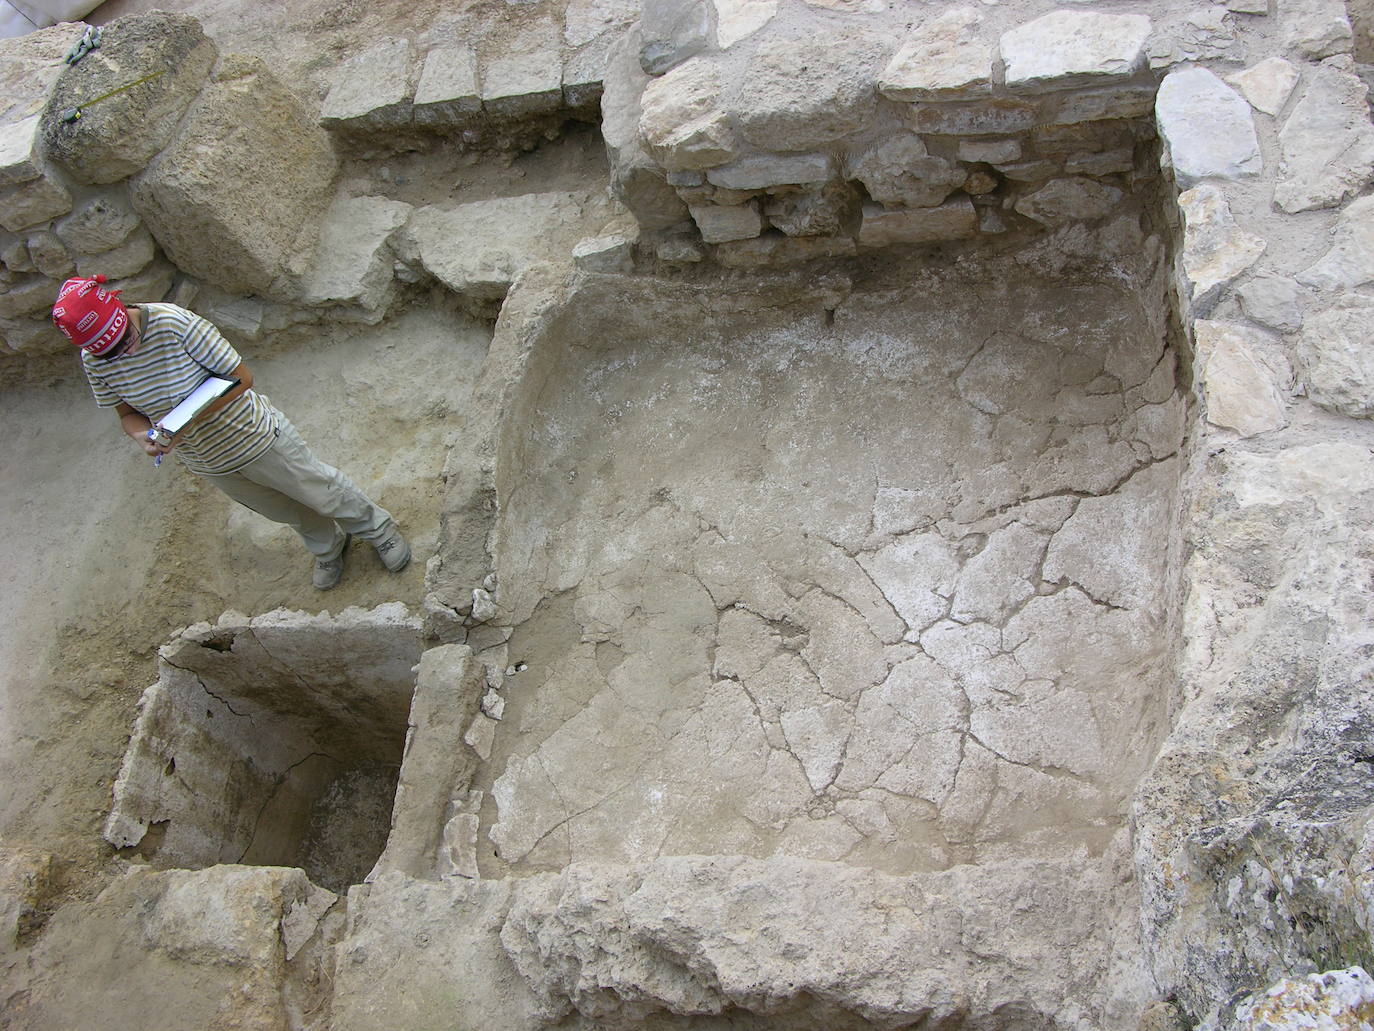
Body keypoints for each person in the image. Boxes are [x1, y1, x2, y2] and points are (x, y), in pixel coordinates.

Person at [52, 274, 409, 590]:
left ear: (120, 312)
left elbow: (241, 377)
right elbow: (127, 414)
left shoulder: (173, 324)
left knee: (320, 490)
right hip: (209, 461)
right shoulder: (94, 359)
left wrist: (186, 422)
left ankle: (379, 531)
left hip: (254, 436)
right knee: (284, 509)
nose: (124, 352)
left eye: (125, 340)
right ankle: (328, 548)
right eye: (111, 353)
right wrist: (142, 437)